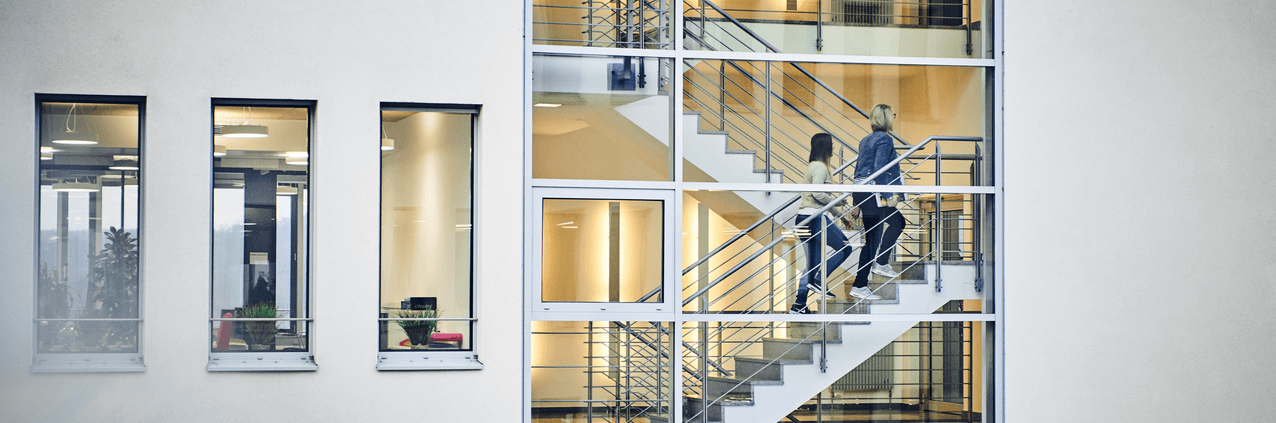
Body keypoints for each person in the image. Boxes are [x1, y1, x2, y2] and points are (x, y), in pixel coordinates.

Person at [789, 133, 857, 314]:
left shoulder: (813, 166)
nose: (834, 147)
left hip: (804, 219)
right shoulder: (820, 167)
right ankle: (819, 279)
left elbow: (820, 199)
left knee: (812, 265)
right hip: (814, 219)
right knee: (845, 248)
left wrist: (841, 216)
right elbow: (819, 195)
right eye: (832, 144)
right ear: (825, 147)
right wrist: (838, 202)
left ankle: (799, 305)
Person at [850, 104, 907, 298]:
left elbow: (859, 169)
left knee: (888, 228)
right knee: (884, 231)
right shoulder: (885, 139)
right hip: (874, 193)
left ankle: (878, 265)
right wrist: (889, 197)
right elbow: (880, 169)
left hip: (862, 190)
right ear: (887, 118)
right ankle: (863, 281)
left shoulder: (866, 139)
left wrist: (855, 201)